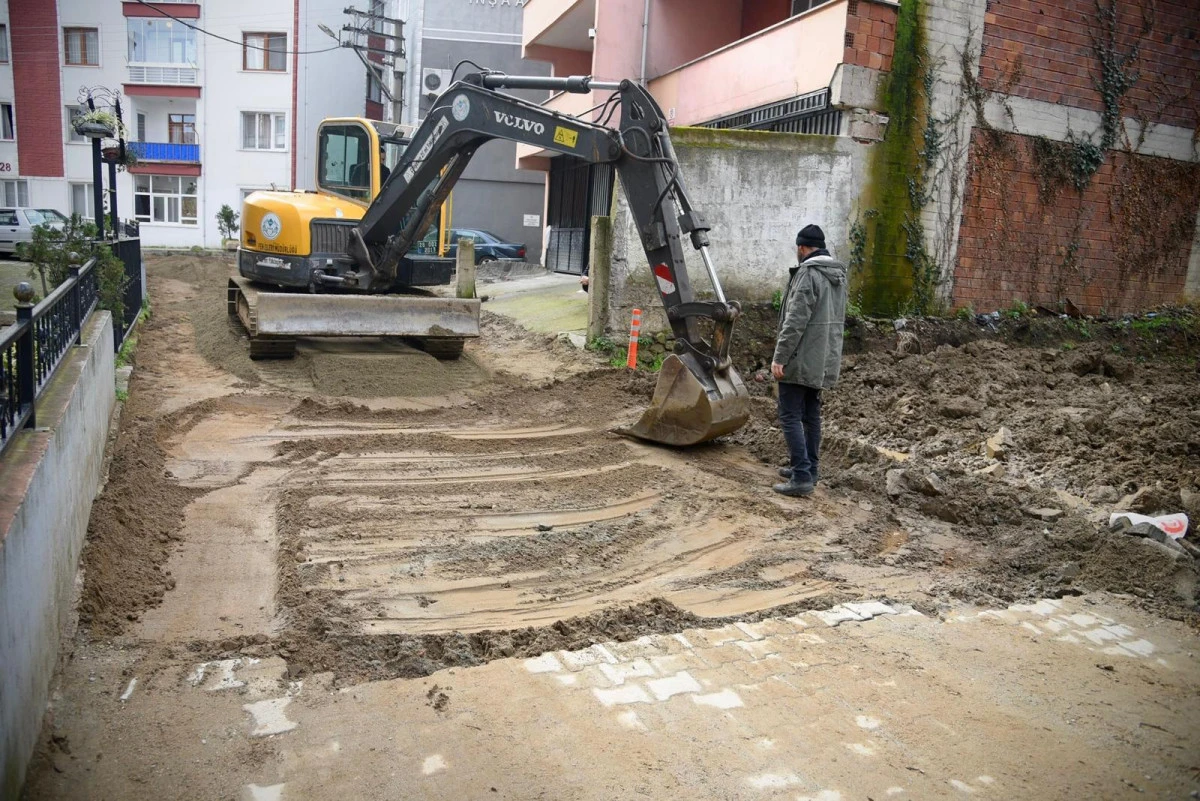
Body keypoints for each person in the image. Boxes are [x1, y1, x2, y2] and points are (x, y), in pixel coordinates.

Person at [770, 224, 848, 497]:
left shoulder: (808, 275)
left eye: (797, 249)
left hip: (800, 357)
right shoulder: (837, 275)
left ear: (802, 248)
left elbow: (795, 320)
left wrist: (780, 357)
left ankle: (801, 474)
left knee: (790, 415)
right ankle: (809, 469)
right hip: (823, 359)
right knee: (811, 416)